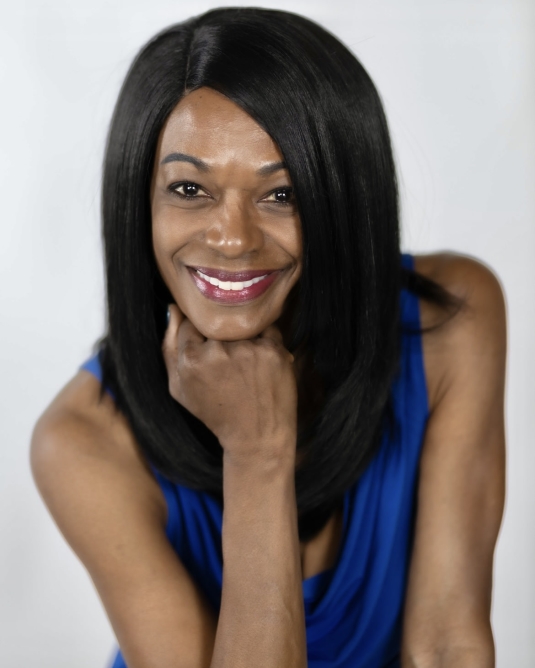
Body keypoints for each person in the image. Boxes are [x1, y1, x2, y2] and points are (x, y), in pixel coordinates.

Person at [30, 7, 506, 668]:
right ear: (138, 201)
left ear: (342, 200)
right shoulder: (82, 441)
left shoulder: (450, 321)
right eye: (189, 188)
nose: (232, 238)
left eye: (281, 195)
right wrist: (257, 455)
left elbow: (448, 645)